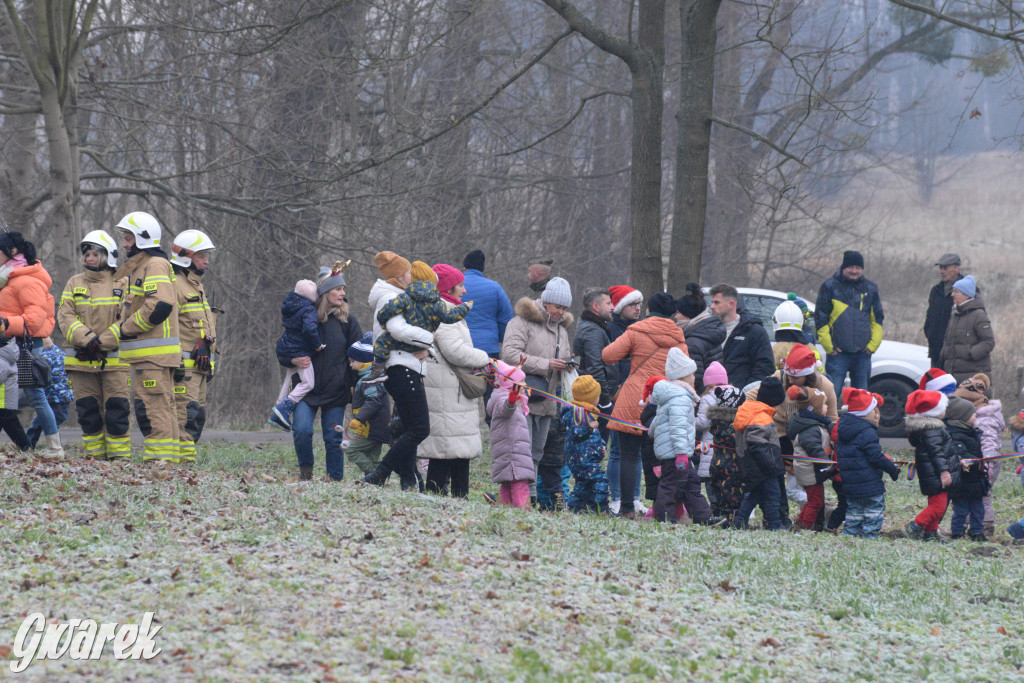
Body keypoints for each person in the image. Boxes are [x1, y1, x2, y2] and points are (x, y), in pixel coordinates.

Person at [602, 292, 688, 519]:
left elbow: (608, 355)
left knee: (628, 456)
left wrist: (631, 355)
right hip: (663, 402)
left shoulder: (636, 331)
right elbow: (685, 370)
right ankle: (663, 507)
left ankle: (627, 508)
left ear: (649, 309)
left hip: (635, 398)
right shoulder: (679, 337)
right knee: (663, 458)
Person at [279, 263, 362, 481]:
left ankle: (334, 479)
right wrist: (291, 358)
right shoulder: (305, 318)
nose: (343, 294)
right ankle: (306, 474)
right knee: (302, 431)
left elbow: (361, 354)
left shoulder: (348, 321)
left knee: (333, 438)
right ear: (325, 292)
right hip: (307, 391)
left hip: (337, 390)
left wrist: (353, 384)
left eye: (344, 289)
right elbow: (282, 348)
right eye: (338, 289)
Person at [418, 263, 490, 498]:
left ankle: (458, 495)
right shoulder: (443, 312)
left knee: (457, 448)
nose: (465, 291)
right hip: (447, 393)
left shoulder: (447, 309)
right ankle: (445, 495)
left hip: (451, 391)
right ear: (448, 287)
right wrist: (485, 358)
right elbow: (454, 351)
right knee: (446, 449)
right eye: (460, 285)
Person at [57, 230, 131, 459]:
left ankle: (119, 460)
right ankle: (95, 459)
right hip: (81, 362)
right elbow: (65, 316)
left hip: (116, 362)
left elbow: (127, 319)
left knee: (117, 411)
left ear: (107, 256)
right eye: (87, 254)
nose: (89, 258)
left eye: (95, 253)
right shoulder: (74, 283)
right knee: (88, 412)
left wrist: (100, 342)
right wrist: (87, 339)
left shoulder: (123, 282)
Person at [501, 276, 574, 506]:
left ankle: (529, 496)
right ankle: (526, 497)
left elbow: (562, 358)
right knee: (521, 451)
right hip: (522, 396)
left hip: (548, 399)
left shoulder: (562, 330)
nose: (560, 312)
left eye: (564, 308)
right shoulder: (521, 322)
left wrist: (567, 364)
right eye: (557, 307)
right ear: (546, 302)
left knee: (537, 451)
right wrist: (547, 364)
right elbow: (510, 355)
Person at [363, 252, 431, 490]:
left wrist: (425, 348)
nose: (412, 276)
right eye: (408, 272)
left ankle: (407, 479)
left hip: (404, 365)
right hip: (400, 367)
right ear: (400, 276)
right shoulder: (390, 298)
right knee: (420, 428)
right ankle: (380, 473)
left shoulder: (396, 296)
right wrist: (428, 341)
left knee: (407, 427)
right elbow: (398, 330)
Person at [0, 231, 62, 456]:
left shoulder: (26, 281)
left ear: (12, 252)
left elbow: (34, 321)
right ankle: (26, 446)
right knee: (4, 398)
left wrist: (5, 323)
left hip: (26, 346)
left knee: (37, 398)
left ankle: (55, 447)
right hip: (10, 346)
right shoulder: (10, 278)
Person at [365, 261, 471, 384]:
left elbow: (389, 310)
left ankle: (377, 370)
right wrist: (464, 308)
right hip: (418, 349)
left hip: (402, 345)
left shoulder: (405, 298)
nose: (464, 290)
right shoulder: (437, 303)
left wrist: (382, 319)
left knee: (381, 343)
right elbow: (450, 316)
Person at [648, 349, 719, 525]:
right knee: (670, 486)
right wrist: (680, 452)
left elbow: (658, 420)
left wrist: (652, 433)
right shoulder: (680, 398)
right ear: (684, 377)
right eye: (692, 374)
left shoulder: (673, 395)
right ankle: (663, 517)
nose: (695, 378)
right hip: (675, 453)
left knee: (691, 485)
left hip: (677, 451)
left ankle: (703, 516)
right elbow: (678, 427)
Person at [169, 229, 217, 462]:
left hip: (200, 367)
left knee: (197, 416)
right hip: (184, 368)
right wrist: (176, 361)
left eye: (206, 255)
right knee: (184, 415)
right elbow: (170, 328)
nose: (206, 261)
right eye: (201, 255)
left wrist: (212, 363)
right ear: (185, 257)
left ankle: (186, 461)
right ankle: (183, 465)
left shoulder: (196, 286)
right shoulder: (175, 286)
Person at [814, 251, 884, 392]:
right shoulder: (829, 286)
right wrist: (830, 347)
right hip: (838, 354)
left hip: (863, 355)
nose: (854, 271)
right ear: (843, 267)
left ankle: (859, 415)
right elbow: (821, 319)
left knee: (861, 396)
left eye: (858, 268)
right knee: (832, 394)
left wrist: (872, 346)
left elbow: (877, 319)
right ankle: (831, 415)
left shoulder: (871, 288)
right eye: (851, 267)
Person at [835, 388, 899, 538]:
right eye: (873, 409)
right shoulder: (867, 431)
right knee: (873, 512)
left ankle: (849, 536)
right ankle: (868, 538)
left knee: (854, 512)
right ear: (866, 412)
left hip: (850, 484)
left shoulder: (843, 429)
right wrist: (892, 469)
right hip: (869, 484)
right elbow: (875, 456)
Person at [902, 390, 961, 541]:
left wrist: (958, 462)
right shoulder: (933, 430)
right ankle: (915, 526)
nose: (945, 411)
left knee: (937, 504)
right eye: (942, 408)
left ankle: (930, 533)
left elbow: (946, 451)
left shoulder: (932, 429)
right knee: (938, 507)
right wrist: (944, 471)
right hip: (935, 473)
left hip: (933, 472)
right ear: (933, 412)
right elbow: (936, 453)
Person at [462, 250, 514, 417]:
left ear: (464, 267)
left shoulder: (456, 286)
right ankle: (493, 427)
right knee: (492, 397)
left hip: (460, 350)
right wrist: (497, 339)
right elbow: (506, 320)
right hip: (488, 353)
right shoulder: (495, 287)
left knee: (461, 393)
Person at [606, 285, 644, 513]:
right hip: (617, 393)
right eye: (632, 304)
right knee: (618, 450)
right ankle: (617, 497)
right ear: (620, 307)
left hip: (637, 394)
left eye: (639, 303)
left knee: (635, 449)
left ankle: (635, 496)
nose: (638, 308)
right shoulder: (611, 329)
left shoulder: (641, 328)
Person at [269, 279, 324, 431]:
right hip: (301, 349)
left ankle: (279, 406)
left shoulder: (290, 305)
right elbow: (309, 329)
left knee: (290, 374)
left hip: (288, 345)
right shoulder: (309, 310)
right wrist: (317, 344)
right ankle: (286, 407)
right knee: (308, 383)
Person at [733, 377, 786, 530]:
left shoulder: (751, 412)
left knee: (755, 494)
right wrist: (773, 465)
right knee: (773, 495)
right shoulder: (761, 417)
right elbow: (757, 444)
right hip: (763, 466)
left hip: (751, 464)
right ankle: (774, 525)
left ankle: (740, 521)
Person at [955, 374, 1005, 537]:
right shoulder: (978, 416)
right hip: (977, 463)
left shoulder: (985, 418)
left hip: (986, 464)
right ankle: (974, 524)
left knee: (982, 495)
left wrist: (987, 464)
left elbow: (989, 442)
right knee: (975, 494)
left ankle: (985, 525)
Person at [786, 386, 836, 532]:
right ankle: (805, 527)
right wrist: (827, 464)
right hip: (810, 471)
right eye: (825, 404)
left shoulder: (813, 424)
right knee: (816, 501)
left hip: (812, 470)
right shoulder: (810, 429)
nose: (827, 407)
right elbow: (814, 449)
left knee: (814, 500)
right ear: (816, 409)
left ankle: (800, 524)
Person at [486, 360, 535, 507]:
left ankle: (504, 510)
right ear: (510, 385)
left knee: (507, 486)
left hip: (514, 452)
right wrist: (510, 402)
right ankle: (523, 514)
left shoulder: (517, 401)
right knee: (519, 485)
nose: (525, 385)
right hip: (512, 454)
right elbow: (505, 409)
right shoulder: (503, 400)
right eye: (521, 382)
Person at [708, 283, 774, 390]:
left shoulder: (754, 332)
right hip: (711, 397)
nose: (712, 306)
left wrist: (744, 393)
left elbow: (764, 369)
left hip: (741, 399)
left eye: (717, 302)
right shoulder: (710, 331)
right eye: (712, 302)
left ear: (731, 304)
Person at [561, 375, 610, 513]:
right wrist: (588, 426)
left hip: (585, 457)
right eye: (597, 395)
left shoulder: (588, 413)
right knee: (600, 480)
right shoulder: (578, 413)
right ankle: (602, 509)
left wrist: (601, 445)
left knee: (582, 485)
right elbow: (575, 433)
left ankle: (574, 508)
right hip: (582, 459)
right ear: (590, 398)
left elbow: (593, 436)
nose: (598, 398)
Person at [344, 332, 391, 476]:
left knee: (350, 449)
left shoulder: (369, 380)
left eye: (352, 361)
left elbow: (373, 402)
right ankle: (376, 480)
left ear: (364, 361)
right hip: (378, 427)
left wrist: (359, 419)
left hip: (370, 428)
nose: (351, 365)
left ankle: (375, 476)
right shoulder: (375, 377)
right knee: (372, 457)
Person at [573, 288, 618, 430]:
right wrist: (605, 401)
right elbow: (595, 367)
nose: (613, 307)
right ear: (596, 306)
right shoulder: (592, 331)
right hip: (596, 401)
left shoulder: (595, 327)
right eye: (609, 303)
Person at [944, 397, 987, 541]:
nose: (976, 416)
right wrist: (974, 461)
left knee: (978, 509)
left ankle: (976, 531)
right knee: (960, 509)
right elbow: (961, 455)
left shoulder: (971, 432)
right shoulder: (955, 435)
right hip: (962, 480)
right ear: (963, 417)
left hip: (975, 479)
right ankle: (957, 532)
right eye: (973, 414)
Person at [940, 275, 994, 385]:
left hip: (973, 378)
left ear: (966, 295)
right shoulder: (955, 315)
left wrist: (971, 354)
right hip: (953, 377)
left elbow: (988, 342)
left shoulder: (979, 315)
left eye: (956, 292)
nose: (952, 294)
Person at [675, 282, 725, 394]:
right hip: (712, 394)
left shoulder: (692, 342)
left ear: (688, 315)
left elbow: (695, 380)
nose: (676, 317)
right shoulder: (709, 331)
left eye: (678, 313)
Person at [707, 386, 746, 524]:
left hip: (716, 463)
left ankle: (717, 514)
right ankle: (731, 519)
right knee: (733, 493)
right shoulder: (736, 424)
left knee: (718, 490)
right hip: (732, 465)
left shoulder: (716, 422)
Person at [25, 338, 73, 449]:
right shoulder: (61, 353)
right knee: (40, 424)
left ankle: (52, 447)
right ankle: (28, 444)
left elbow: (42, 381)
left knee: (50, 426)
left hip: (55, 400)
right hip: (64, 399)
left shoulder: (44, 358)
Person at [694, 361, 729, 507]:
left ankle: (715, 508)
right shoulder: (734, 395)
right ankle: (727, 507)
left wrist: (689, 418)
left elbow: (702, 423)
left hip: (710, 446)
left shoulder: (707, 398)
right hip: (728, 446)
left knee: (709, 477)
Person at [923, 253, 964, 369]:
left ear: (957, 269)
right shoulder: (935, 291)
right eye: (940, 268)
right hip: (936, 351)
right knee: (936, 385)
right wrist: (930, 334)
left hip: (958, 355)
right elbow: (930, 317)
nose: (942, 271)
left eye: (946, 268)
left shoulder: (968, 291)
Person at [0, 333, 28, 449]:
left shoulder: (3, 354)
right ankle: (25, 447)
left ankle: (25, 447)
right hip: (5, 399)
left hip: (3, 399)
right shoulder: (7, 352)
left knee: (12, 425)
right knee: (12, 424)